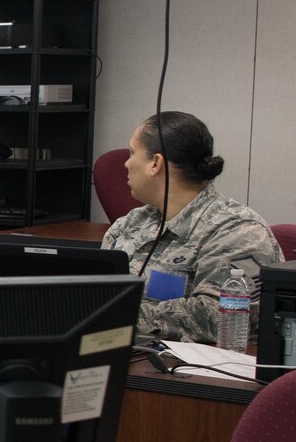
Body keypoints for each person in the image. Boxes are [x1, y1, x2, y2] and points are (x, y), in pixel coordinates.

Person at [100, 112, 281, 344]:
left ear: (155, 163)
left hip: (200, 371)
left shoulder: (237, 230)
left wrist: (113, 317)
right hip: (126, 354)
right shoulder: (130, 224)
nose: (126, 163)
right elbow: (95, 294)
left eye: (132, 153)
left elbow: (218, 317)